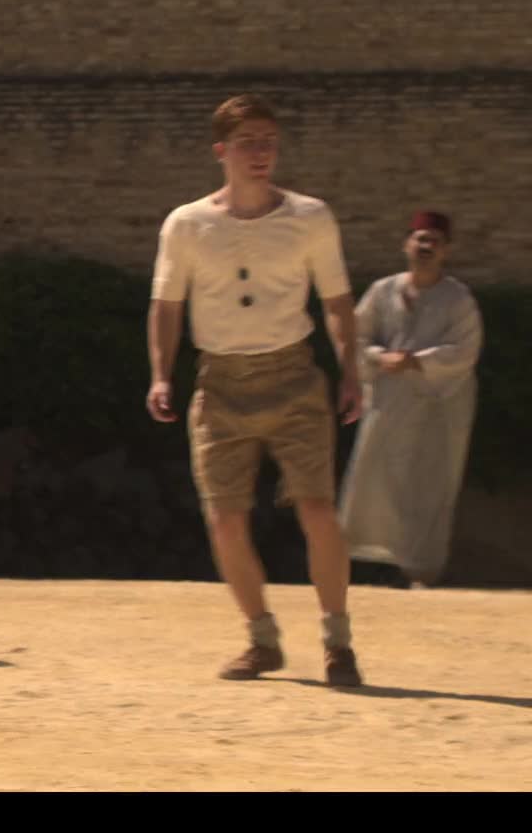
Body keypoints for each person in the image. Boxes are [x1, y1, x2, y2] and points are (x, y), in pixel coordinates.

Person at [146, 94, 365, 687]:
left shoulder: (311, 217)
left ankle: (338, 641)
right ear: (221, 151)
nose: (260, 152)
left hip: (293, 376)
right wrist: (161, 374)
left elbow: (337, 302)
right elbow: (166, 305)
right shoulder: (187, 224)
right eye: (248, 142)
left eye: (268, 141)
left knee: (317, 508)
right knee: (224, 518)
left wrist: (350, 373)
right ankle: (261, 639)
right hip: (219, 384)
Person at [340, 211, 483, 589]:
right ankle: (370, 566)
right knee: (377, 479)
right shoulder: (382, 291)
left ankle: (422, 570)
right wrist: (378, 357)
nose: (426, 247)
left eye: (434, 241)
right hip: (389, 404)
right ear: (407, 244)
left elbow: (465, 350)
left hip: (438, 407)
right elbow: (357, 335)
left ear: (446, 250)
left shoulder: (458, 299)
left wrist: (417, 361)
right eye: (420, 239)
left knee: (430, 484)